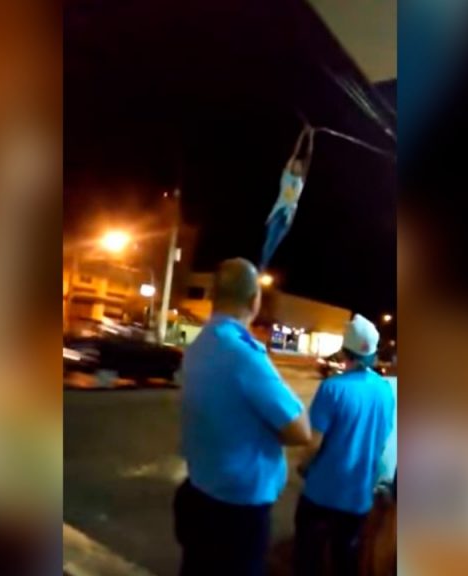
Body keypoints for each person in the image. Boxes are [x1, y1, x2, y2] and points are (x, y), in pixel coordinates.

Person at [175, 258, 311, 576]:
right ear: (254, 300)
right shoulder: (244, 356)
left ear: (213, 296)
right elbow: (300, 431)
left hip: (199, 495)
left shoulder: (199, 345)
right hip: (236, 516)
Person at [294, 314, 396, 576]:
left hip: (321, 495)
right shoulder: (385, 391)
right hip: (358, 497)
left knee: (308, 558)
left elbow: (314, 443)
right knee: (344, 560)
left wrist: (303, 466)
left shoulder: (332, 388)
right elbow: (382, 439)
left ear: (344, 352)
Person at [260, 126, 315, 269]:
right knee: (268, 242)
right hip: (278, 211)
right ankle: (261, 266)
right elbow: (295, 152)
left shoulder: (301, 180)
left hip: (289, 216)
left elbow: (309, 157)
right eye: (296, 164)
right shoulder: (287, 176)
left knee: (276, 244)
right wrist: (302, 134)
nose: (298, 166)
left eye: (300, 166)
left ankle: (264, 267)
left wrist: (311, 137)